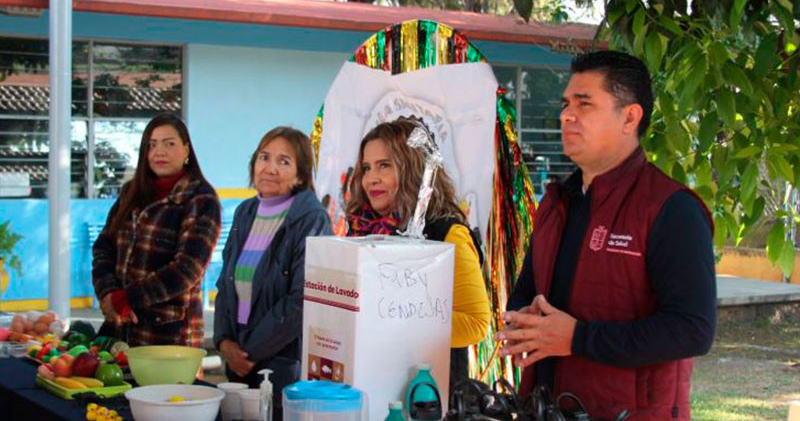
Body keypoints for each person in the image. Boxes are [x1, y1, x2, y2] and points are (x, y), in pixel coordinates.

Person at [498, 51, 716, 421]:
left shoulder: (671, 208)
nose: (566, 115)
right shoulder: (557, 202)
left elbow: (693, 330)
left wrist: (577, 338)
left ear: (630, 117)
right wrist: (524, 320)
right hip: (544, 406)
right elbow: (528, 287)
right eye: (566, 103)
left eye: (585, 104)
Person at [345, 118, 491, 394]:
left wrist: (399, 322)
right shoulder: (362, 231)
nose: (371, 178)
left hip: (430, 393)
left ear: (413, 168)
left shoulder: (448, 233)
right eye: (366, 168)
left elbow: (476, 323)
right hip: (372, 383)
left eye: (384, 165)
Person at [213, 127, 332, 418]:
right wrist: (224, 341)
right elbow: (227, 281)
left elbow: (301, 299)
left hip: (280, 363)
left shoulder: (311, 218)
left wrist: (249, 352)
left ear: (301, 175)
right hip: (238, 357)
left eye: (284, 161)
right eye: (264, 157)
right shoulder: (245, 212)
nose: (270, 167)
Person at [93, 113, 222, 348]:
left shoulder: (201, 199)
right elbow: (104, 247)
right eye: (151, 145)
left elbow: (187, 269)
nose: (159, 152)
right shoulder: (131, 192)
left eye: (169, 144)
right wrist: (108, 293)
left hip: (169, 338)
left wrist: (127, 298)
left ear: (186, 150)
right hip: (120, 331)